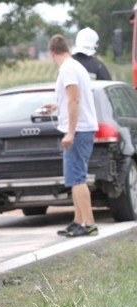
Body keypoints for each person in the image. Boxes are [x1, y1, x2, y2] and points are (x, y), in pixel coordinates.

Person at [44, 34, 99, 237]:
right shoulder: (76, 66)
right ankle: (78, 221)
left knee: (77, 178)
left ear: (52, 53)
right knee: (74, 177)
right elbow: (74, 99)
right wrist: (57, 106)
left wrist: (71, 132)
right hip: (83, 127)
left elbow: (74, 100)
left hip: (79, 130)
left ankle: (89, 224)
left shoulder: (67, 69)